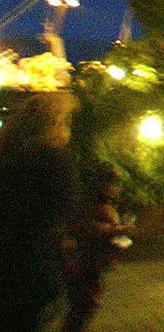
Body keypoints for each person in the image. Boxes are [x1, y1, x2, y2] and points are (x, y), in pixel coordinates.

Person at [0, 93, 78, 331]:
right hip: (31, 270)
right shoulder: (52, 159)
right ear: (55, 121)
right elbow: (66, 211)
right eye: (66, 120)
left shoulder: (8, 153)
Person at [62, 166, 130, 332]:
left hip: (94, 267)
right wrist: (115, 230)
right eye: (113, 184)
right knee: (80, 311)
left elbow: (113, 237)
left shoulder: (104, 206)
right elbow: (86, 228)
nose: (117, 189)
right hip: (85, 266)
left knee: (83, 311)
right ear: (101, 185)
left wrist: (122, 235)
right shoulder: (91, 206)